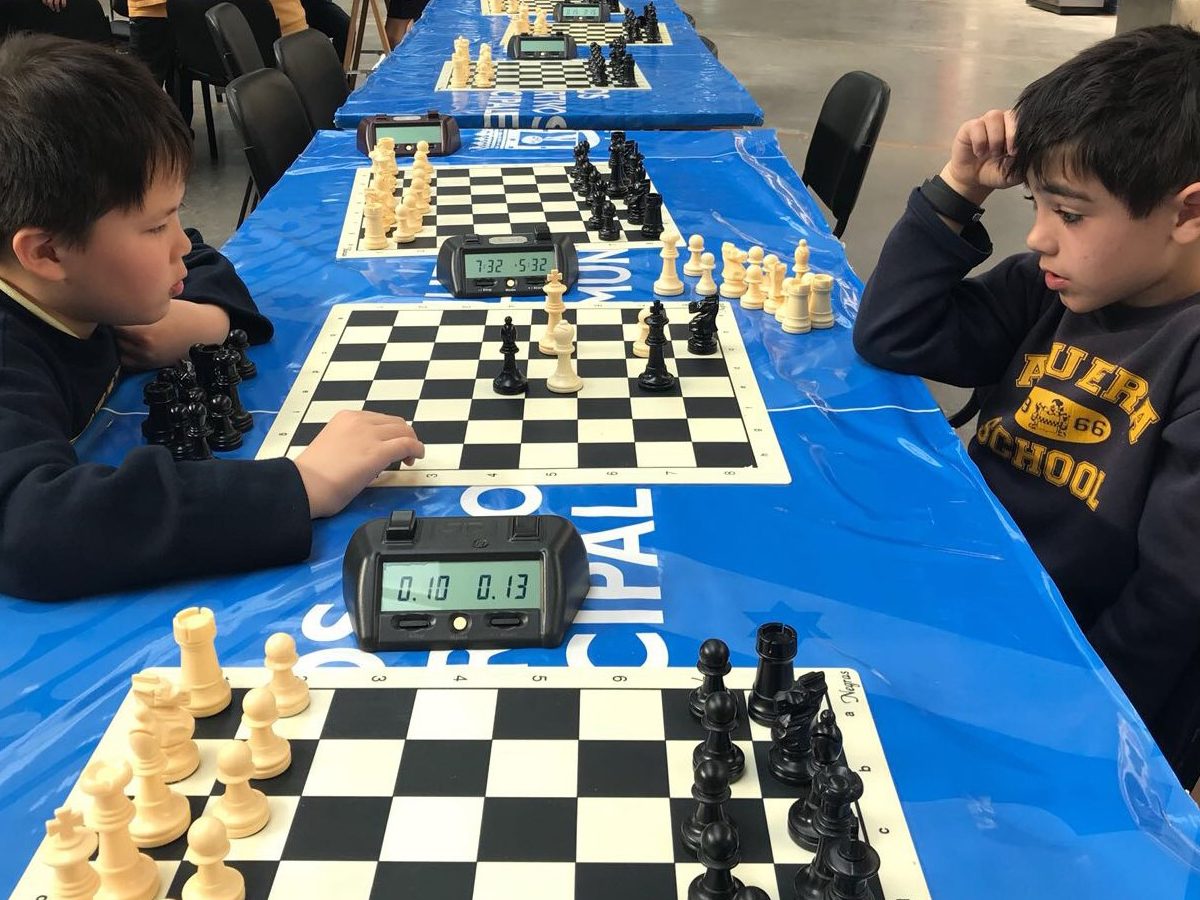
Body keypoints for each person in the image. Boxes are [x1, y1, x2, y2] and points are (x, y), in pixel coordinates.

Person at [853, 25, 1200, 786]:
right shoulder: (1056, 289)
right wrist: (958, 188)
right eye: (1035, 203)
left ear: (1186, 214)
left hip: (1067, 687)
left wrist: (1055, 721)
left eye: (1070, 214)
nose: (1039, 237)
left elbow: (1170, 609)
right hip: (971, 587)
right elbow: (894, 333)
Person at [0, 34, 424, 601]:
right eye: (156, 226)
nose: (180, 241)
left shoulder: (84, 282)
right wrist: (301, 484)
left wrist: (203, 321)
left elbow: (201, 257)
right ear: (47, 253)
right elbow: (33, 526)